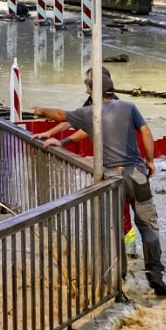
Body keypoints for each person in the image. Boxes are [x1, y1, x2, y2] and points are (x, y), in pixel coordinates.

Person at [33, 68, 166, 297]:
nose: (86, 90)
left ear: (95, 91)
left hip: (111, 179)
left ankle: (119, 278)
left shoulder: (90, 113)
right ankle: (155, 275)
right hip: (137, 174)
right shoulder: (129, 107)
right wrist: (150, 160)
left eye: (88, 87)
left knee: (112, 229)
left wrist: (39, 111)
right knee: (149, 227)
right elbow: (146, 132)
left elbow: (60, 115)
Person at [31, 72, 139, 259]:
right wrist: (51, 134)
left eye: (89, 83)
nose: (85, 88)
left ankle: (127, 253)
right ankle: (120, 253)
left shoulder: (109, 107)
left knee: (122, 210)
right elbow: (71, 119)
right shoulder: (97, 104)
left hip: (118, 166)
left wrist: (60, 138)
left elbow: (80, 127)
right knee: (122, 211)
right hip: (123, 166)